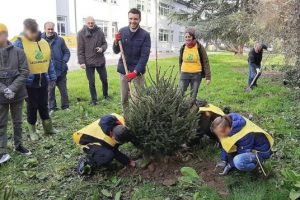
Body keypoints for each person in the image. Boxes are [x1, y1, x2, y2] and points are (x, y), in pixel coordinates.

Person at [14, 19, 57, 141]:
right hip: (28, 82)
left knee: (44, 104)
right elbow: (15, 64)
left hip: (42, 78)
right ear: (26, 31)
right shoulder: (19, 44)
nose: (33, 35)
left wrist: (52, 77)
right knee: (32, 106)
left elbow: (49, 61)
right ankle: (32, 131)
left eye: (35, 32)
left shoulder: (43, 42)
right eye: (31, 32)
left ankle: (48, 128)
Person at [0, 23, 31, 163]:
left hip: (17, 94)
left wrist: (12, 88)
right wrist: (4, 89)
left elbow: (24, 72)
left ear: (6, 34)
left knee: (17, 122)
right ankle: (2, 152)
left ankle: (19, 146)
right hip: (1, 96)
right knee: (1, 123)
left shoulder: (18, 52)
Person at [113, 8, 151, 112]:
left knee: (137, 99)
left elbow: (144, 57)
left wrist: (135, 72)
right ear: (128, 18)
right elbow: (116, 51)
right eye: (131, 18)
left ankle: (136, 119)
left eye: (135, 19)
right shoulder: (122, 31)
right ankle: (127, 118)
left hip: (137, 72)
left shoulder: (145, 35)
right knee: (124, 98)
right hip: (123, 70)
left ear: (139, 20)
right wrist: (116, 41)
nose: (133, 21)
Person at [77, 16, 109, 105]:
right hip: (88, 62)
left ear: (94, 22)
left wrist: (102, 48)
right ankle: (94, 100)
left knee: (104, 79)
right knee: (91, 82)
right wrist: (81, 62)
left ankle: (106, 95)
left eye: (92, 23)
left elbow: (105, 43)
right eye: (89, 23)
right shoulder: (81, 34)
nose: (91, 24)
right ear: (86, 23)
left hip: (100, 60)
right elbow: (80, 50)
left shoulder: (100, 31)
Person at [42, 22, 71, 114]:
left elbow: (67, 52)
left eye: (52, 29)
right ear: (45, 29)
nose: (50, 31)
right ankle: (52, 108)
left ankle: (65, 106)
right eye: (48, 29)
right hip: (48, 71)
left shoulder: (60, 40)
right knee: (50, 91)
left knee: (63, 90)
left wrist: (64, 61)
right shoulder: (40, 41)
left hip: (61, 70)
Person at [179, 28, 211, 104]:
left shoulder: (199, 47)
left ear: (193, 37)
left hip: (196, 75)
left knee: (193, 97)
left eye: (189, 37)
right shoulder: (183, 47)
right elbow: (180, 61)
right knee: (180, 94)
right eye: (186, 37)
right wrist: (181, 72)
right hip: (184, 74)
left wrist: (208, 77)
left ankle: (190, 112)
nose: (187, 38)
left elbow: (205, 61)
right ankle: (178, 111)